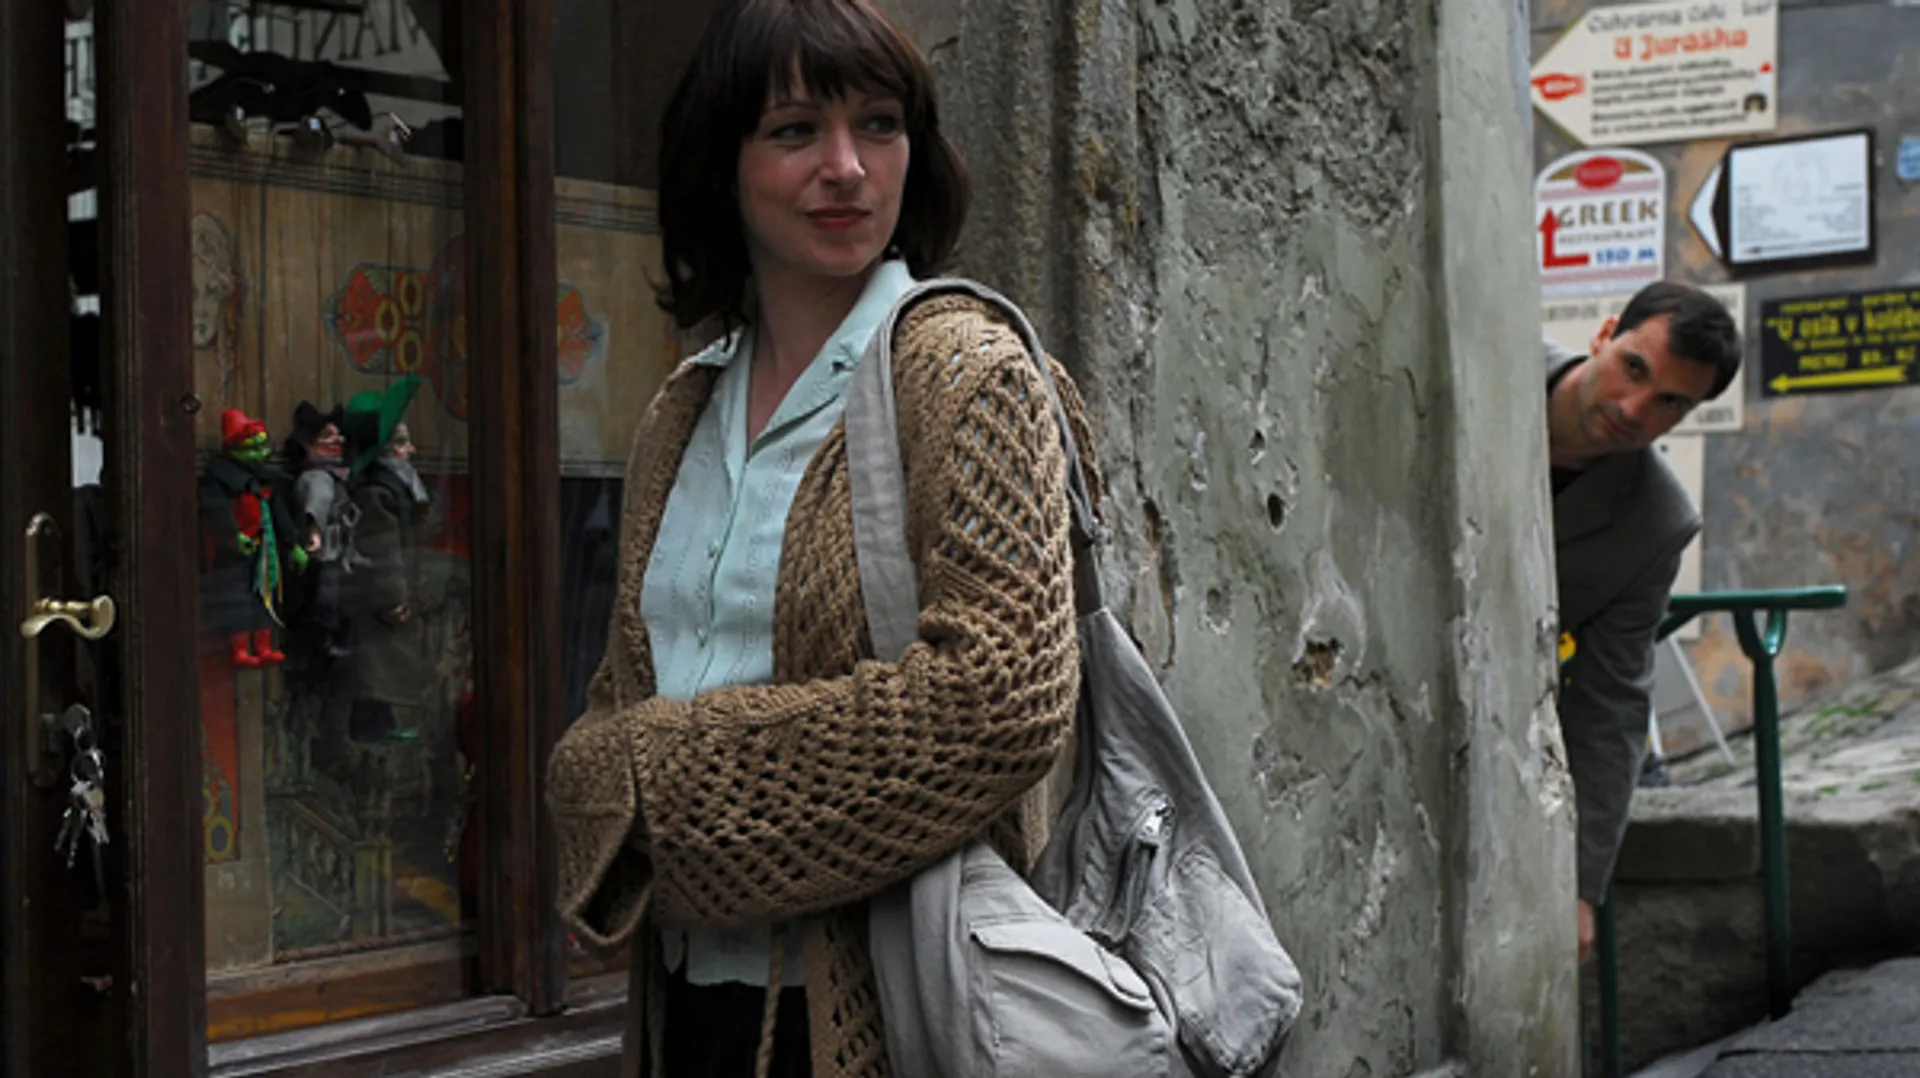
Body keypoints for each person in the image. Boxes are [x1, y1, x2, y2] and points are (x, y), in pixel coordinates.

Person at [544, 2, 1100, 1075]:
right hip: (682, 1003)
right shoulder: (681, 411)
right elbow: (617, 705)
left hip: (888, 1008)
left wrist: (657, 799)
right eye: (796, 130)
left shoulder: (967, 375)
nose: (846, 167)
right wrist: (608, 780)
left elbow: (1003, 699)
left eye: (878, 125)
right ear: (724, 164)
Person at [1547, 281, 1740, 963]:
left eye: (1670, 403)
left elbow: (1612, 702)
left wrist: (1579, 885)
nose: (1634, 409)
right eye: (1634, 367)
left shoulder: (1657, 523)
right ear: (1604, 334)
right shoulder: (1485, 367)